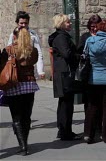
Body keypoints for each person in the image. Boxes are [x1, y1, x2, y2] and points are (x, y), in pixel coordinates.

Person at [1, 27, 39, 155]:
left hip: (14, 85)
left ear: (14, 36)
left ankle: (23, 146)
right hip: (29, 84)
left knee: (16, 118)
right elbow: (34, 61)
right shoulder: (32, 50)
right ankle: (25, 143)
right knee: (26, 117)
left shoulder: (9, 49)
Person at [77, 14, 106, 140]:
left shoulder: (89, 41)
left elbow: (85, 56)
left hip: (93, 78)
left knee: (92, 106)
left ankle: (88, 134)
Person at [48, 14, 81, 141]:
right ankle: (65, 131)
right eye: (68, 22)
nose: (70, 24)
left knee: (64, 103)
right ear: (61, 24)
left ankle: (63, 129)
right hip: (64, 73)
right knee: (66, 104)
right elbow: (67, 54)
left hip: (62, 73)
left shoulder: (60, 36)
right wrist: (78, 56)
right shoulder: (61, 37)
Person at [8, 11, 45, 80]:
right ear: (17, 23)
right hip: (16, 69)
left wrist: (40, 71)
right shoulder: (13, 35)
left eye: (26, 23)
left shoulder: (33, 34)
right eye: (21, 23)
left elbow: (39, 52)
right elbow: (9, 51)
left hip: (29, 69)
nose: (24, 25)